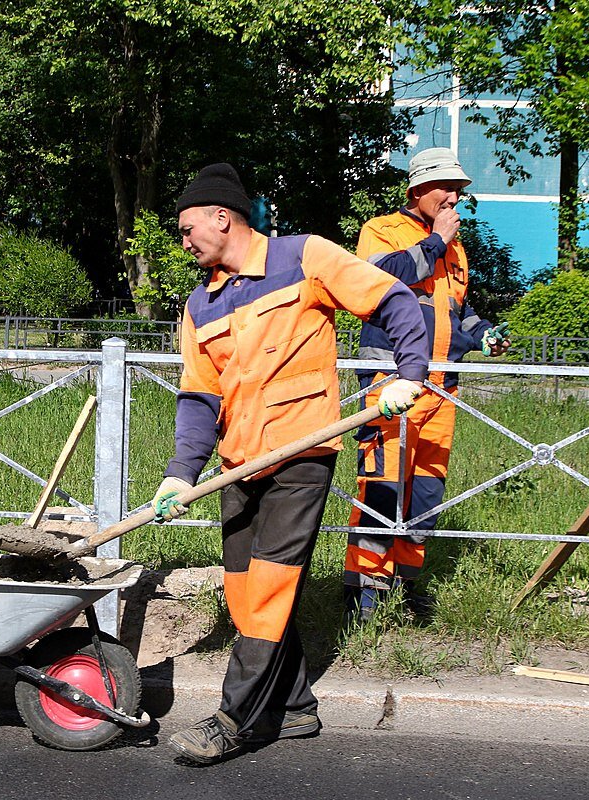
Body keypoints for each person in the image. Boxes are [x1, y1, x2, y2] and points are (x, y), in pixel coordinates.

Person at [150, 163, 430, 764]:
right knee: (245, 592)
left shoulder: (305, 257)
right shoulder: (201, 306)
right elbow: (200, 398)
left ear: (222, 217)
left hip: (303, 452)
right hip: (239, 464)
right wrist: (180, 472)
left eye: (186, 228)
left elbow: (394, 298)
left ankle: (233, 720)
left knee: (271, 587)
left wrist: (409, 375)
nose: (184, 242)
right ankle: (296, 707)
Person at [344, 148, 510, 623]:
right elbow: (377, 281)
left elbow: (457, 313)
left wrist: (485, 334)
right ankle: (365, 595)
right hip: (390, 384)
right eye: (448, 188)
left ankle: (406, 586)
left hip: (442, 392)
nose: (456, 198)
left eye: (460, 190)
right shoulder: (381, 231)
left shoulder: (456, 247)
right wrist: (435, 242)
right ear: (419, 188)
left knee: (425, 493)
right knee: (381, 487)